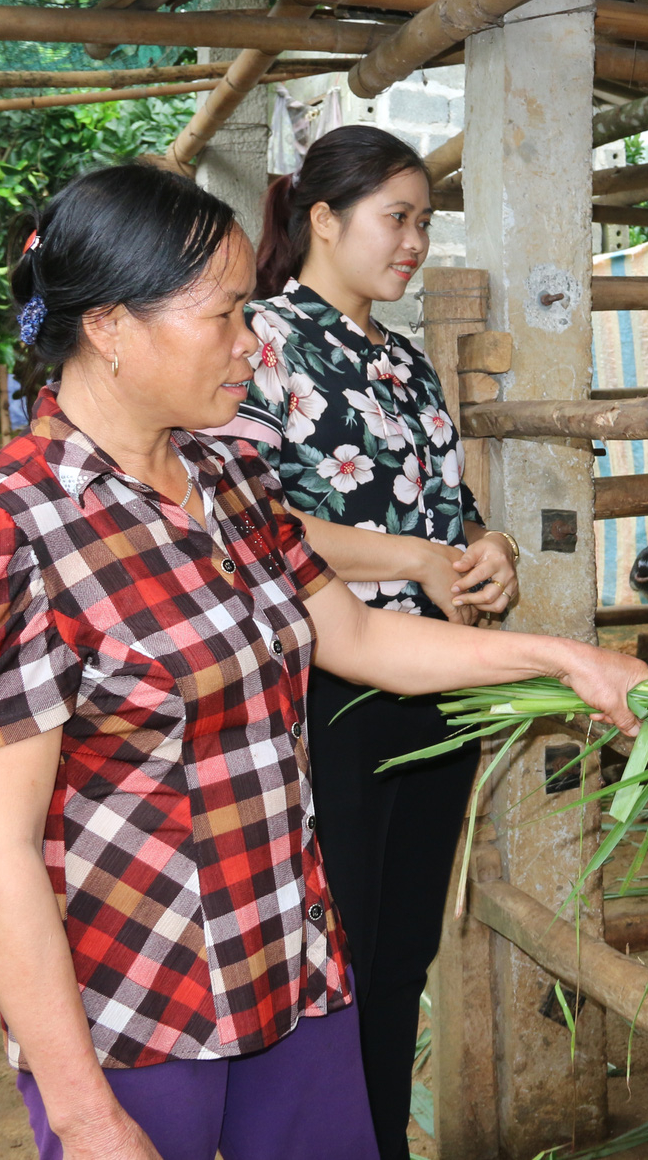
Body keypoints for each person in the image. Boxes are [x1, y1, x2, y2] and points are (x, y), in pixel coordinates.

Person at [0, 163, 648, 1160]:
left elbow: (360, 637)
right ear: (114, 328)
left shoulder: (228, 476)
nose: (253, 344)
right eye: (224, 316)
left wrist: (559, 658)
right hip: (138, 1014)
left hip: (291, 966)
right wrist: (83, 1112)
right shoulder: (9, 528)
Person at [210, 126, 508, 1158]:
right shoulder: (260, 343)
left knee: (402, 951)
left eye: (425, 220)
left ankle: (378, 1139)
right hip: (324, 687)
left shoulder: (405, 358)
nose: (415, 240)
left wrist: (482, 548)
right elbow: (248, 518)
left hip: (430, 679)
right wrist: (412, 556)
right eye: (397, 217)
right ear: (324, 220)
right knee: (341, 947)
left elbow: (449, 508)